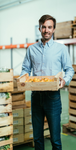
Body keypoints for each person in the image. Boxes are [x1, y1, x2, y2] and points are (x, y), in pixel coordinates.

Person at [20, 14, 74, 150]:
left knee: (55, 139)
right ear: (39, 28)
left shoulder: (61, 49)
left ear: (54, 29)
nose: (46, 30)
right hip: (36, 96)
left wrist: (65, 81)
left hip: (53, 97)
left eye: (49, 27)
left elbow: (69, 69)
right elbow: (25, 69)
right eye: (44, 27)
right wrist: (22, 78)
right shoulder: (31, 49)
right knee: (37, 138)